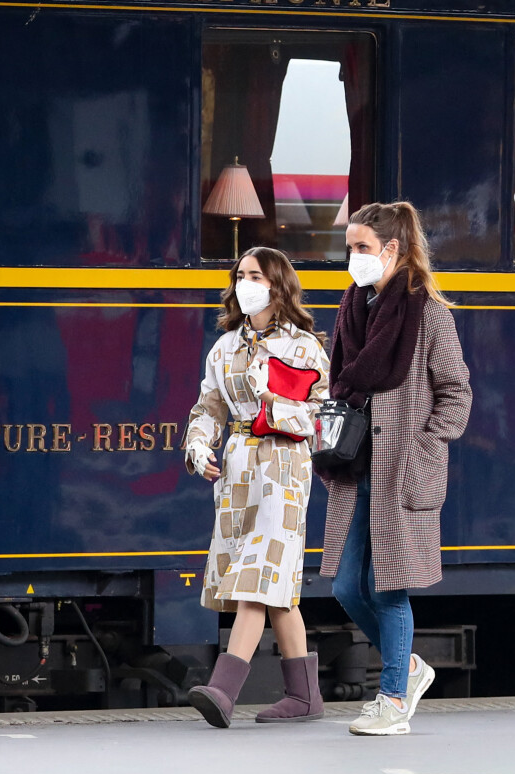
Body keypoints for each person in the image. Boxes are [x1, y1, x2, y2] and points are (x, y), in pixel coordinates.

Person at [319, 201, 472, 736]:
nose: (353, 258)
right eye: (350, 248)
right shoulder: (353, 306)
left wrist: (425, 445)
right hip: (356, 465)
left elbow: (457, 393)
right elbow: (340, 381)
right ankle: (408, 667)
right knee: (344, 586)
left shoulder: (427, 312)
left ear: (393, 249)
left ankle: (392, 699)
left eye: (362, 248)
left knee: (388, 588)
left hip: (401, 470)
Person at [184, 246, 330, 728]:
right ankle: (305, 696)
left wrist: (274, 409)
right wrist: (199, 448)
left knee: (257, 574)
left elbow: (322, 419)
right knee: (278, 587)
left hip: (286, 469)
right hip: (237, 473)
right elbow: (208, 409)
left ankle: (223, 691)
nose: (245, 282)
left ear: (277, 284)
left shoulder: (305, 348)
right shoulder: (224, 347)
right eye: (240, 274)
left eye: (256, 275)